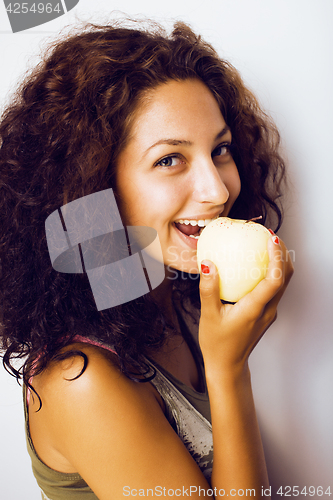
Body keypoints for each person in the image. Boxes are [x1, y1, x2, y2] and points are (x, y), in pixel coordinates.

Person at [0, 19, 293, 500]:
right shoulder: (81, 379)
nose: (218, 190)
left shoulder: (171, 298)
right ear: (95, 186)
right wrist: (229, 368)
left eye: (220, 150)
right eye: (169, 159)